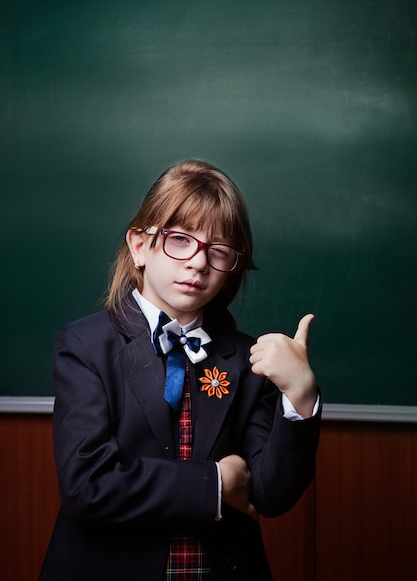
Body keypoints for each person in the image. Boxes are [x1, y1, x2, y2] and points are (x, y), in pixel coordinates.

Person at [39, 159, 321, 581]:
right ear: (139, 245)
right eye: (180, 239)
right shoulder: (84, 346)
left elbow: (271, 494)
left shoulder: (248, 359)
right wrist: (213, 484)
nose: (197, 262)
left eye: (219, 250)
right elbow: (88, 485)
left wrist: (300, 396)